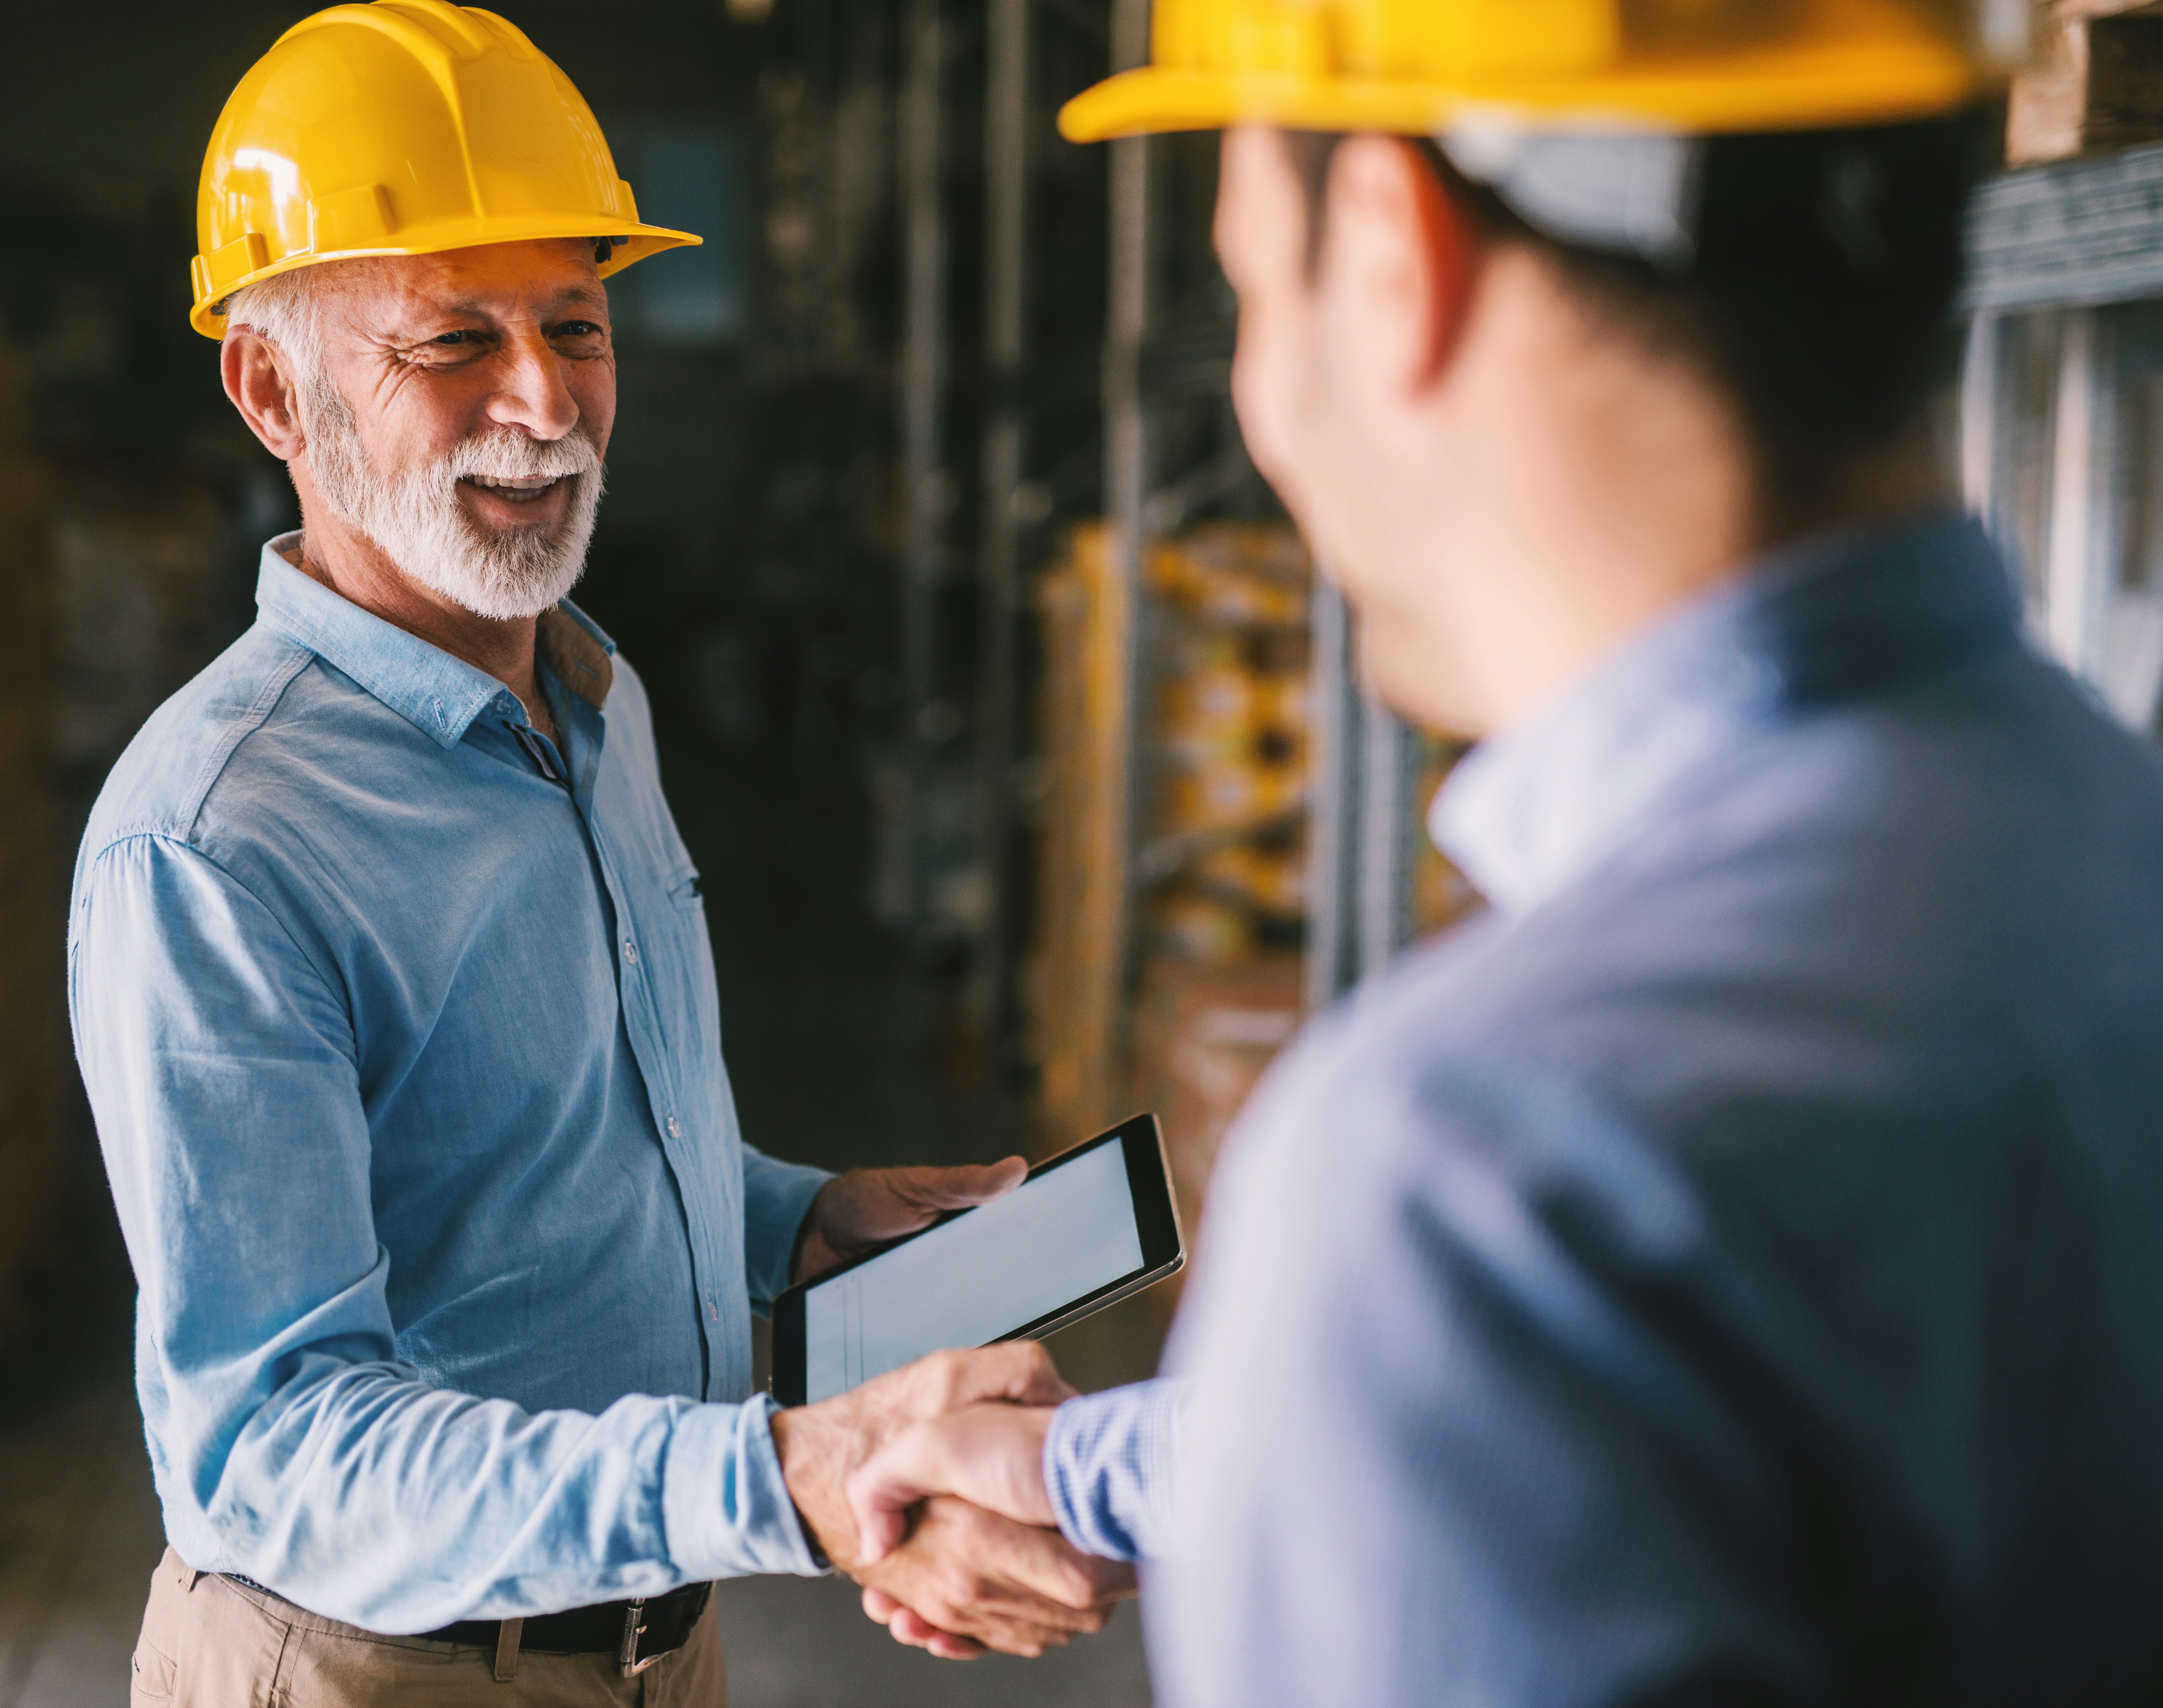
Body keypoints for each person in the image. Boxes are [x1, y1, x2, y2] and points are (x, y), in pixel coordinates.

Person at [834, 2, 2163, 1703]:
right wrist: (1100, 1468)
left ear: (1389, 253)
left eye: (1246, 286)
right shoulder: (2098, 849)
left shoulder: (1473, 1173)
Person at [71, 3, 1124, 1701]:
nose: (545, 400)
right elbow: (274, 1446)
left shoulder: (590, 691)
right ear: (273, 387)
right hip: (377, 1669)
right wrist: (784, 1474)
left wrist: (790, 1221)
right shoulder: (217, 844)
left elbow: (529, 1153)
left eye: (578, 323)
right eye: (452, 346)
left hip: (660, 1636)